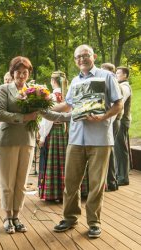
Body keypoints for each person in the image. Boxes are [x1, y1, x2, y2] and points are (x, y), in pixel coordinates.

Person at [52, 44, 123, 238]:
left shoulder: (107, 77)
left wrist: (103, 116)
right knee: (71, 181)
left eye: (85, 55)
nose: (82, 59)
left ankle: (94, 222)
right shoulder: (74, 81)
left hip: (100, 138)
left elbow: (119, 104)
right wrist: (42, 107)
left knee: (96, 184)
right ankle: (70, 217)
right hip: (76, 138)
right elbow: (67, 105)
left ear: (94, 56)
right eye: (78, 57)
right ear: (75, 61)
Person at [0, 56, 38, 234]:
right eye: (18, 72)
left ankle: (16, 217)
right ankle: (7, 217)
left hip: (27, 140)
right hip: (8, 140)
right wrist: (24, 118)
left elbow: (42, 112)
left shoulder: (35, 91)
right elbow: (0, 113)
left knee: (21, 183)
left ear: (28, 74)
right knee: (8, 182)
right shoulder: (4, 89)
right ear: (12, 73)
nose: (21, 75)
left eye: (25, 72)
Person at [38, 71, 68, 201]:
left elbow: (47, 119)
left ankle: (54, 192)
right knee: (65, 162)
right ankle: (66, 192)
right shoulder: (67, 95)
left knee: (53, 163)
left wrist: (43, 136)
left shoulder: (51, 97)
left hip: (53, 131)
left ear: (52, 81)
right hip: (65, 131)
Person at [101, 63, 121, 191]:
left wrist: (107, 120)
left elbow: (118, 104)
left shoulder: (112, 81)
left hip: (112, 120)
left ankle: (111, 181)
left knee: (110, 150)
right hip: (110, 120)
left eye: (103, 70)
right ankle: (111, 181)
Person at [114, 66, 132, 186]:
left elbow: (120, 102)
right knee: (118, 148)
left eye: (118, 73)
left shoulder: (124, 87)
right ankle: (120, 174)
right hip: (121, 120)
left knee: (120, 149)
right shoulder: (121, 86)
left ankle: (123, 177)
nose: (116, 75)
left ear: (125, 75)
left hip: (122, 120)